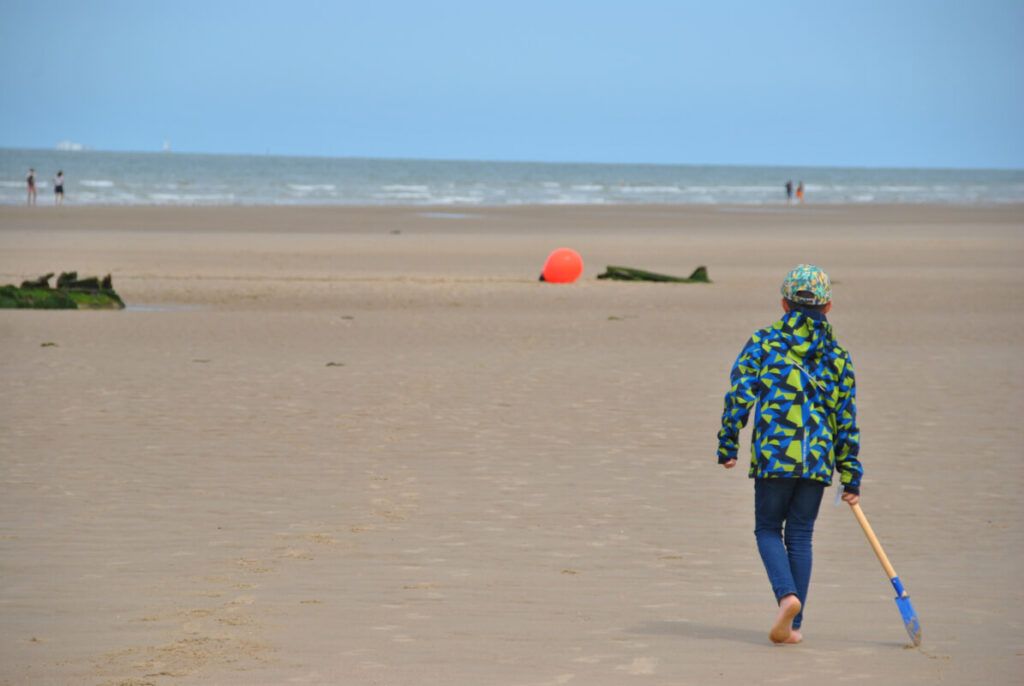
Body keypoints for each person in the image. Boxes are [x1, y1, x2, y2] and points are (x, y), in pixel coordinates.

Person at [717, 264, 862, 645]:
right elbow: (845, 419)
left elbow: (740, 393)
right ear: (828, 307)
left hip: (774, 455)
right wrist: (851, 475)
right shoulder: (838, 356)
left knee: (768, 528)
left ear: (784, 304)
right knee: (801, 535)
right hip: (816, 459)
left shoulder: (765, 341)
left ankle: (788, 598)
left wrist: (728, 443)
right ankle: (794, 626)